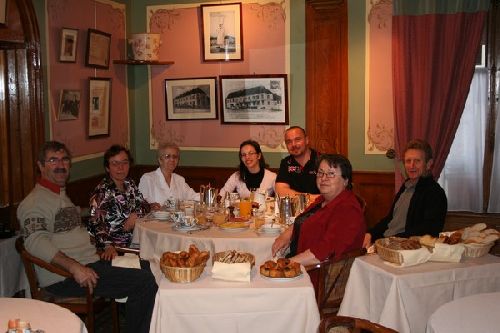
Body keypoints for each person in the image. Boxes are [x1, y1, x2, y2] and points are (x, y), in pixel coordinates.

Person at [17, 141, 157, 333]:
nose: (60, 165)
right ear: (40, 166)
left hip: (92, 262)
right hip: (65, 278)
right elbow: (35, 242)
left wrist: (91, 211)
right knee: (144, 282)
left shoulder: (58, 194)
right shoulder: (34, 203)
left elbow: (70, 216)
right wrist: (75, 268)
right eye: (53, 160)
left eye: (64, 159)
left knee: (151, 266)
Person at [272, 154, 366, 287]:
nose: (323, 178)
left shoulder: (348, 209)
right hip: (304, 266)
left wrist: (288, 263)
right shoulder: (324, 200)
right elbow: (303, 219)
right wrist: (286, 234)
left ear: (345, 180)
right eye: (320, 173)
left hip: (320, 277)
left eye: (331, 174)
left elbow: (322, 252)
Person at [362, 139, 448, 249]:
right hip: (385, 243)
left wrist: (391, 241)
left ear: (429, 164)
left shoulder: (435, 193)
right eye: (408, 161)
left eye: (417, 161)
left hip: (406, 249)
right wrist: (371, 233)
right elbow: (390, 219)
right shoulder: (406, 187)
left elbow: (429, 229)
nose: (411, 166)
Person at [88, 144, 151, 260]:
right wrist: (108, 246)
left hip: (137, 242)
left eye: (124, 162)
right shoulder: (101, 192)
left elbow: (145, 205)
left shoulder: (129, 184)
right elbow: (95, 225)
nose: (120, 167)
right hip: (117, 250)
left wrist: (136, 215)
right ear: (107, 168)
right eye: (115, 163)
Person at [139, 142, 199, 207]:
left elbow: (193, 196)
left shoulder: (179, 179)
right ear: (160, 160)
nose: (172, 159)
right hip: (153, 217)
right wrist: (150, 206)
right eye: (167, 156)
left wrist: (209, 195)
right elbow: (140, 204)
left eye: (175, 156)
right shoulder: (147, 178)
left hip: (178, 217)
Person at [275, 126, 321, 197]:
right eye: (289, 141)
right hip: (295, 207)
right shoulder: (286, 163)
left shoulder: (322, 161)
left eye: (297, 139)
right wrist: (309, 197)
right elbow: (280, 190)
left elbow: (331, 192)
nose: (293, 144)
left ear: (307, 140)